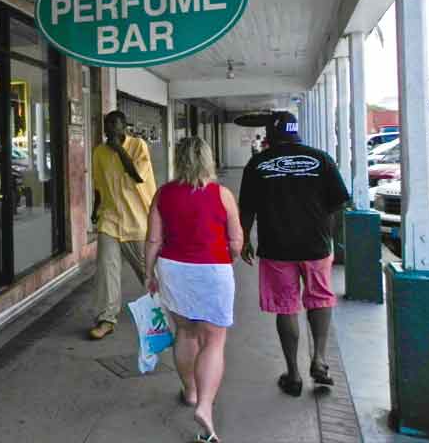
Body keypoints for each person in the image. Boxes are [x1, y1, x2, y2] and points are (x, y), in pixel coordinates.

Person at [239, 111, 349, 397]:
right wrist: (330, 240)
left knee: (286, 307)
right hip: (316, 245)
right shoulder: (321, 158)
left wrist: (244, 240)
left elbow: (247, 208)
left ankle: (294, 374)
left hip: (277, 247)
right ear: (295, 131)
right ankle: (320, 359)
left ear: (271, 134)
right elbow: (338, 204)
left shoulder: (258, 163)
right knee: (321, 297)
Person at [145, 137, 242, 443]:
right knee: (214, 340)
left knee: (185, 333)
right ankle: (204, 406)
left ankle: (190, 391)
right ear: (208, 160)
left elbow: (153, 240)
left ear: (179, 160)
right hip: (213, 269)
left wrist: (149, 272)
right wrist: (228, 260)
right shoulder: (222, 195)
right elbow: (236, 240)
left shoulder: (163, 194)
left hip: (174, 270)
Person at [89, 110, 157, 339]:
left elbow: (138, 175)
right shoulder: (98, 152)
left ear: (124, 127)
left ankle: (164, 309)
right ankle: (106, 318)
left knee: (147, 271)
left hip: (136, 220)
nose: (109, 130)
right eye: (106, 125)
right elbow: (99, 185)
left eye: (114, 125)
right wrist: (94, 210)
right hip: (109, 219)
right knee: (107, 270)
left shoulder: (138, 146)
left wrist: (118, 149)